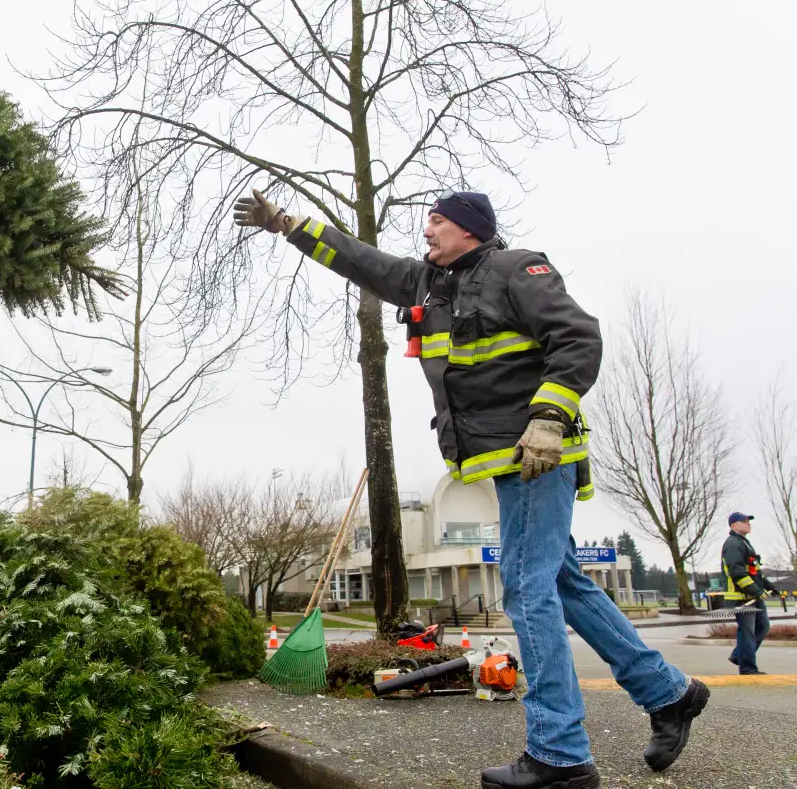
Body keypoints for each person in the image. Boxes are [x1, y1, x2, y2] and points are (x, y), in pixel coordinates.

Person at [233, 189, 708, 788]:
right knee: (561, 581)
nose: (426, 230)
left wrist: (550, 417)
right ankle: (668, 693)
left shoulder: (517, 269)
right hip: (499, 460)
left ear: (471, 231)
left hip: (537, 453)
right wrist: (289, 226)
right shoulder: (427, 284)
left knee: (529, 588)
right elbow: (359, 259)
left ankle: (560, 754)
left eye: (438, 221)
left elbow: (579, 338)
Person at [721, 512, 777, 675]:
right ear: (734, 525)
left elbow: (754, 572)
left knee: (762, 626)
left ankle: (739, 655)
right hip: (741, 598)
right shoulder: (732, 544)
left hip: (752, 596)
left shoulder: (744, 543)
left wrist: (769, 586)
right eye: (744, 521)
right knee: (747, 631)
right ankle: (747, 668)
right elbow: (736, 572)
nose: (748, 523)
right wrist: (757, 591)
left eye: (748, 521)